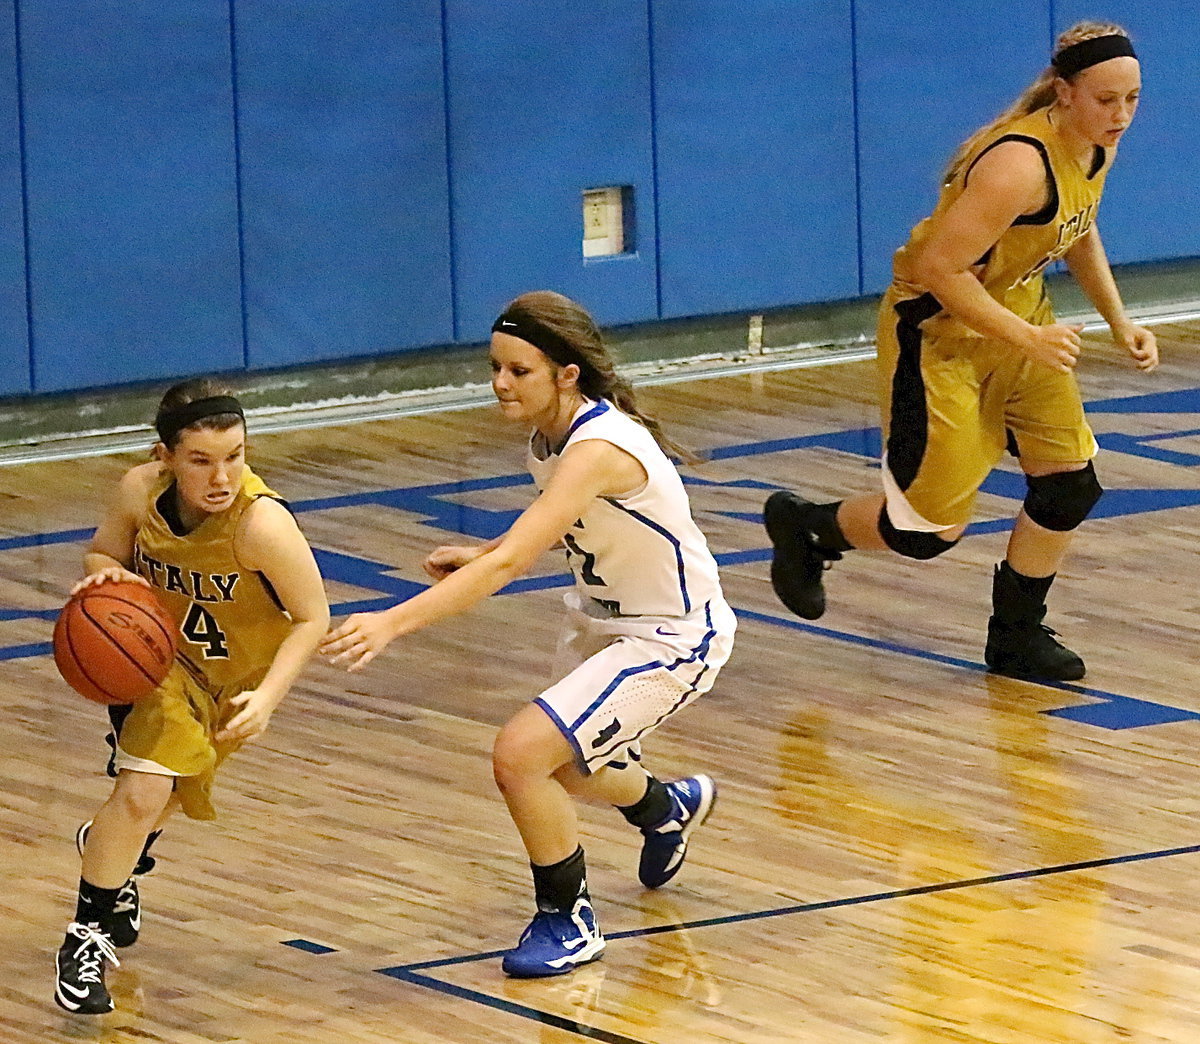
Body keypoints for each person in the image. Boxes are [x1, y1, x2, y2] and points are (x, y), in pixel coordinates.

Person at [321, 290, 736, 978]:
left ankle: (568, 918)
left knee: (519, 755)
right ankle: (667, 808)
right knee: (567, 768)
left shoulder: (597, 446)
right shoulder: (549, 438)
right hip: (603, 626)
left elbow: (517, 560)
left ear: (566, 374)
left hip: (672, 637)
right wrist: (482, 554)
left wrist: (393, 621)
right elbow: (540, 535)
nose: (500, 383)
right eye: (496, 367)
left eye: (518, 370)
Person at [764, 21, 1157, 681]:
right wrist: (1030, 337)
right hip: (939, 337)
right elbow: (941, 269)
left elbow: (1079, 228)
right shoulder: (1016, 165)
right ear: (1062, 92)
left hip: (1017, 322)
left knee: (1068, 485)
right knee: (924, 535)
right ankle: (809, 528)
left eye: (1133, 99)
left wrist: (1119, 321)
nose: (1120, 116)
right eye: (1105, 100)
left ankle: (1015, 637)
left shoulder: (1096, 147)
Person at [54, 379, 329, 1014]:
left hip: (232, 683)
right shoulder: (138, 491)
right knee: (147, 789)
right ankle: (85, 939)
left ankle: (110, 845)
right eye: (202, 460)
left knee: (160, 800)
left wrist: (267, 699)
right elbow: (102, 550)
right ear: (165, 457)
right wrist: (105, 572)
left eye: (234, 456)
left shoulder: (262, 525)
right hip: (156, 667)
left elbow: (313, 617)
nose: (222, 476)